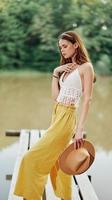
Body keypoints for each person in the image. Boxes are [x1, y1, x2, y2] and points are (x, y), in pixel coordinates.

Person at [13, 31, 96, 200]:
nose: (62, 50)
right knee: (59, 161)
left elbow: (87, 99)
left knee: (30, 158)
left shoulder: (86, 67)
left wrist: (80, 129)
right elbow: (55, 98)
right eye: (60, 48)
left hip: (67, 118)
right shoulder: (66, 69)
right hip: (57, 114)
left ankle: (32, 196)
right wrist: (56, 72)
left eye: (65, 46)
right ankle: (65, 197)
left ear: (76, 45)